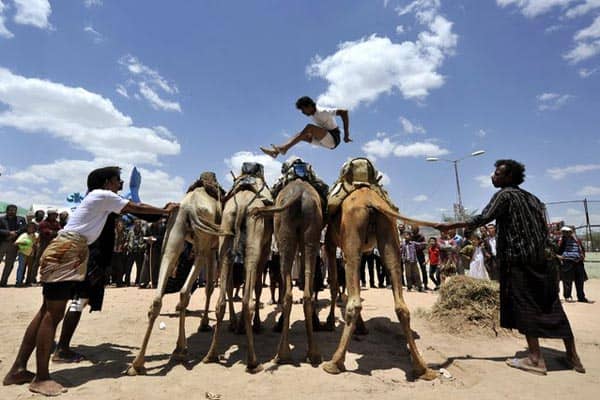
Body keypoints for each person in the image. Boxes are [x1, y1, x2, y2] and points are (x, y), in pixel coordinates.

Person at [2, 166, 176, 396]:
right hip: (68, 250)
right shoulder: (102, 195)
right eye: (117, 181)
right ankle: (41, 378)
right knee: (53, 314)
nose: (120, 184)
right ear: (107, 182)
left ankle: (18, 369)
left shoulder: (99, 199)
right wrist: (166, 211)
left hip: (69, 249)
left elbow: (134, 211)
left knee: (46, 310)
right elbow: (137, 207)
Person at [435, 159, 585, 376]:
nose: (492, 177)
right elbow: (542, 228)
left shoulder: (505, 195)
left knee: (525, 305)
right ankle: (573, 357)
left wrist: (452, 226)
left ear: (508, 177)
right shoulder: (532, 198)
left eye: (497, 174)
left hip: (519, 260)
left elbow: (483, 217)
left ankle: (535, 358)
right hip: (542, 260)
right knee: (551, 304)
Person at [260, 96, 351, 158]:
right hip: (324, 140)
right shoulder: (313, 115)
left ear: (310, 106)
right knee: (300, 135)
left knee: (309, 128)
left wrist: (346, 135)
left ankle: (284, 148)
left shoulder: (323, 111)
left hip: (333, 138)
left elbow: (344, 112)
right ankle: (276, 153)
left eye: (303, 110)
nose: (303, 113)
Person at [557, 226, 591, 303]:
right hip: (567, 262)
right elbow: (556, 250)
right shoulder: (560, 240)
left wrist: (582, 256)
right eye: (566, 232)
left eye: (569, 231)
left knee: (580, 280)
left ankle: (581, 297)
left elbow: (581, 249)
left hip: (578, 262)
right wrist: (560, 257)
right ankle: (567, 296)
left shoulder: (577, 240)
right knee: (567, 280)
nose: (568, 233)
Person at [0, 204, 27, 286]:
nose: (12, 211)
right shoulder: (1, 219)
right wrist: (8, 233)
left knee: (9, 264)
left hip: (14, 244)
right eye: (11, 210)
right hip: (2, 243)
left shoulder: (21, 219)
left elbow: (24, 228)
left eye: (14, 210)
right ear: (7, 210)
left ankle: (3, 282)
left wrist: (15, 233)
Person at [15, 222, 39, 287]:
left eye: (33, 228)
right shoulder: (24, 235)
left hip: (31, 254)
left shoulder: (36, 235)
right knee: (21, 268)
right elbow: (16, 243)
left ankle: (28, 281)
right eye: (29, 227)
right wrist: (26, 244)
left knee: (30, 269)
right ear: (27, 228)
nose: (31, 229)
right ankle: (19, 282)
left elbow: (38, 242)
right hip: (23, 253)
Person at [126, 219, 146, 286]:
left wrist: (143, 246)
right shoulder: (130, 231)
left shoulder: (143, 232)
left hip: (139, 252)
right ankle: (127, 282)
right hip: (131, 252)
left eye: (139, 223)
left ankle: (138, 281)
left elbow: (145, 241)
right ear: (134, 224)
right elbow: (127, 239)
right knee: (128, 268)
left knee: (139, 268)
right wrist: (127, 245)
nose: (138, 224)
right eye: (136, 223)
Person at [411, 226, 429, 290]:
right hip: (413, 255)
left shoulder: (421, 237)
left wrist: (417, 246)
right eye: (413, 229)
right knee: (413, 270)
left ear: (417, 230)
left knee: (423, 269)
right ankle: (415, 284)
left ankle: (425, 284)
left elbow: (424, 245)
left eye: (414, 229)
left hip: (420, 254)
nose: (413, 231)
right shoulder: (411, 237)